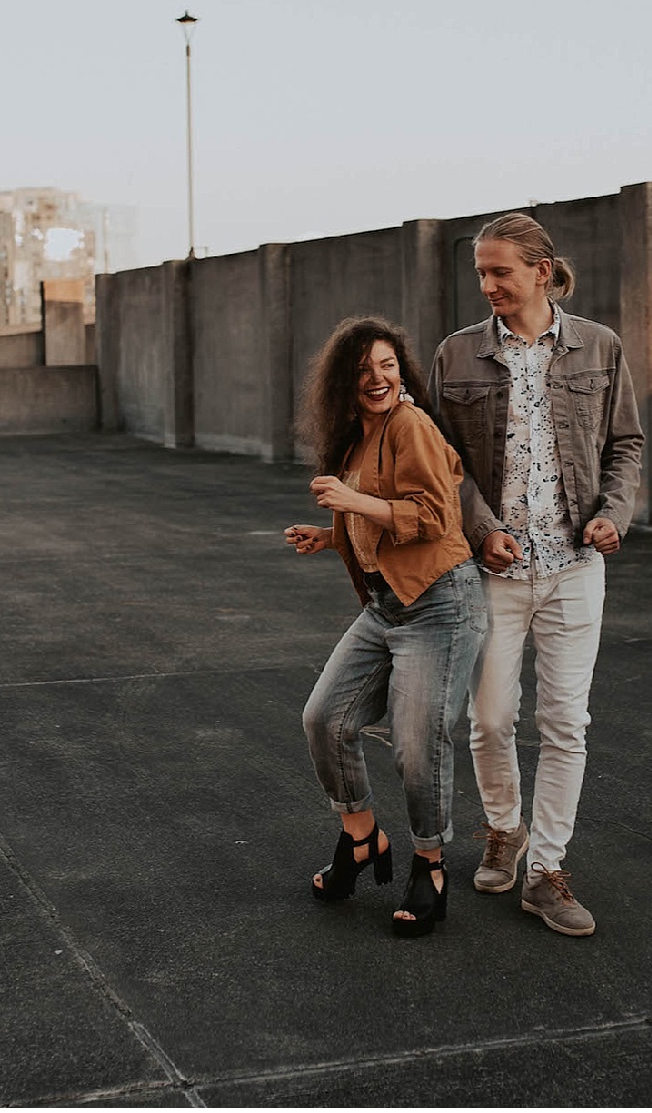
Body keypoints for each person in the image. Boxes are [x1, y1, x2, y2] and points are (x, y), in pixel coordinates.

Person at [427, 213, 645, 937]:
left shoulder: (599, 347)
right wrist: (483, 529)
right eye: (481, 274)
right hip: (494, 573)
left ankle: (548, 870)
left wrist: (615, 511)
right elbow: (442, 466)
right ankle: (504, 828)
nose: (488, 285)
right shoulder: (456, 356)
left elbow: (624, 443)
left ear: (541, 272)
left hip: (575, 566)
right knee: (488, 718)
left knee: (565, 723)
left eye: (501, 272)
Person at [286, 316, 489, 937]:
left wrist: (351, 504)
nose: (377, 379)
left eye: (387, 365)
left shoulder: (411, 425)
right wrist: (331, 535)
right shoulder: (356, 437)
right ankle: (362, 838)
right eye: (363, 370)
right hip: (385, 605)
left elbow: (433, 516)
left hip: (439, 605)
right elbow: (378, 520)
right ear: (343, 384)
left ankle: (429, 864)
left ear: (402, 369)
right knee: (326, 719)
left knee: (415, 745)